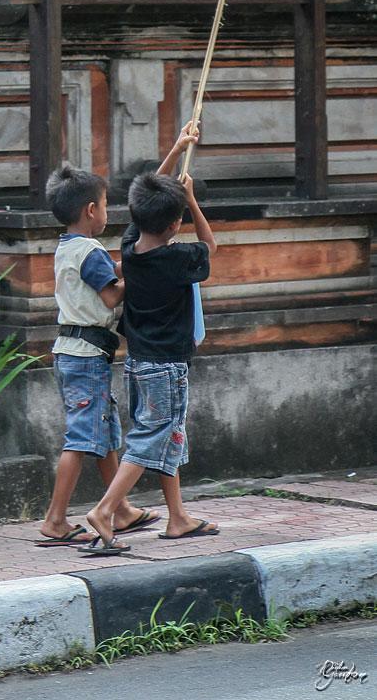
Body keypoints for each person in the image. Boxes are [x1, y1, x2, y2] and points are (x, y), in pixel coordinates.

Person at [80, 124, 219, 556]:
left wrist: (175, 151)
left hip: (139, 361)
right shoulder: (178, 257)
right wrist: (191, 199)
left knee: (167, 432)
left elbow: (144, 202)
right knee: (153, 435)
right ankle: (105, 509)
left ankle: (178, 517)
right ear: (175, 223)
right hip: (168, 365)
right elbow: (210, 245)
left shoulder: (130, 249)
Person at [36, 165, 160, 547]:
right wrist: (139, 275)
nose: (107, 211)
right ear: (91, 210)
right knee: (80, 438)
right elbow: (110, 296)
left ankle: (120, 510)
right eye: (106, 204)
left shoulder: (68, 247)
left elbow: (106, 273)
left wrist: (128, 264)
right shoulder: (90, 251)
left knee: (104, 433)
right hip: (86, 356)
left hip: (76, 353)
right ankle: (55, 520)